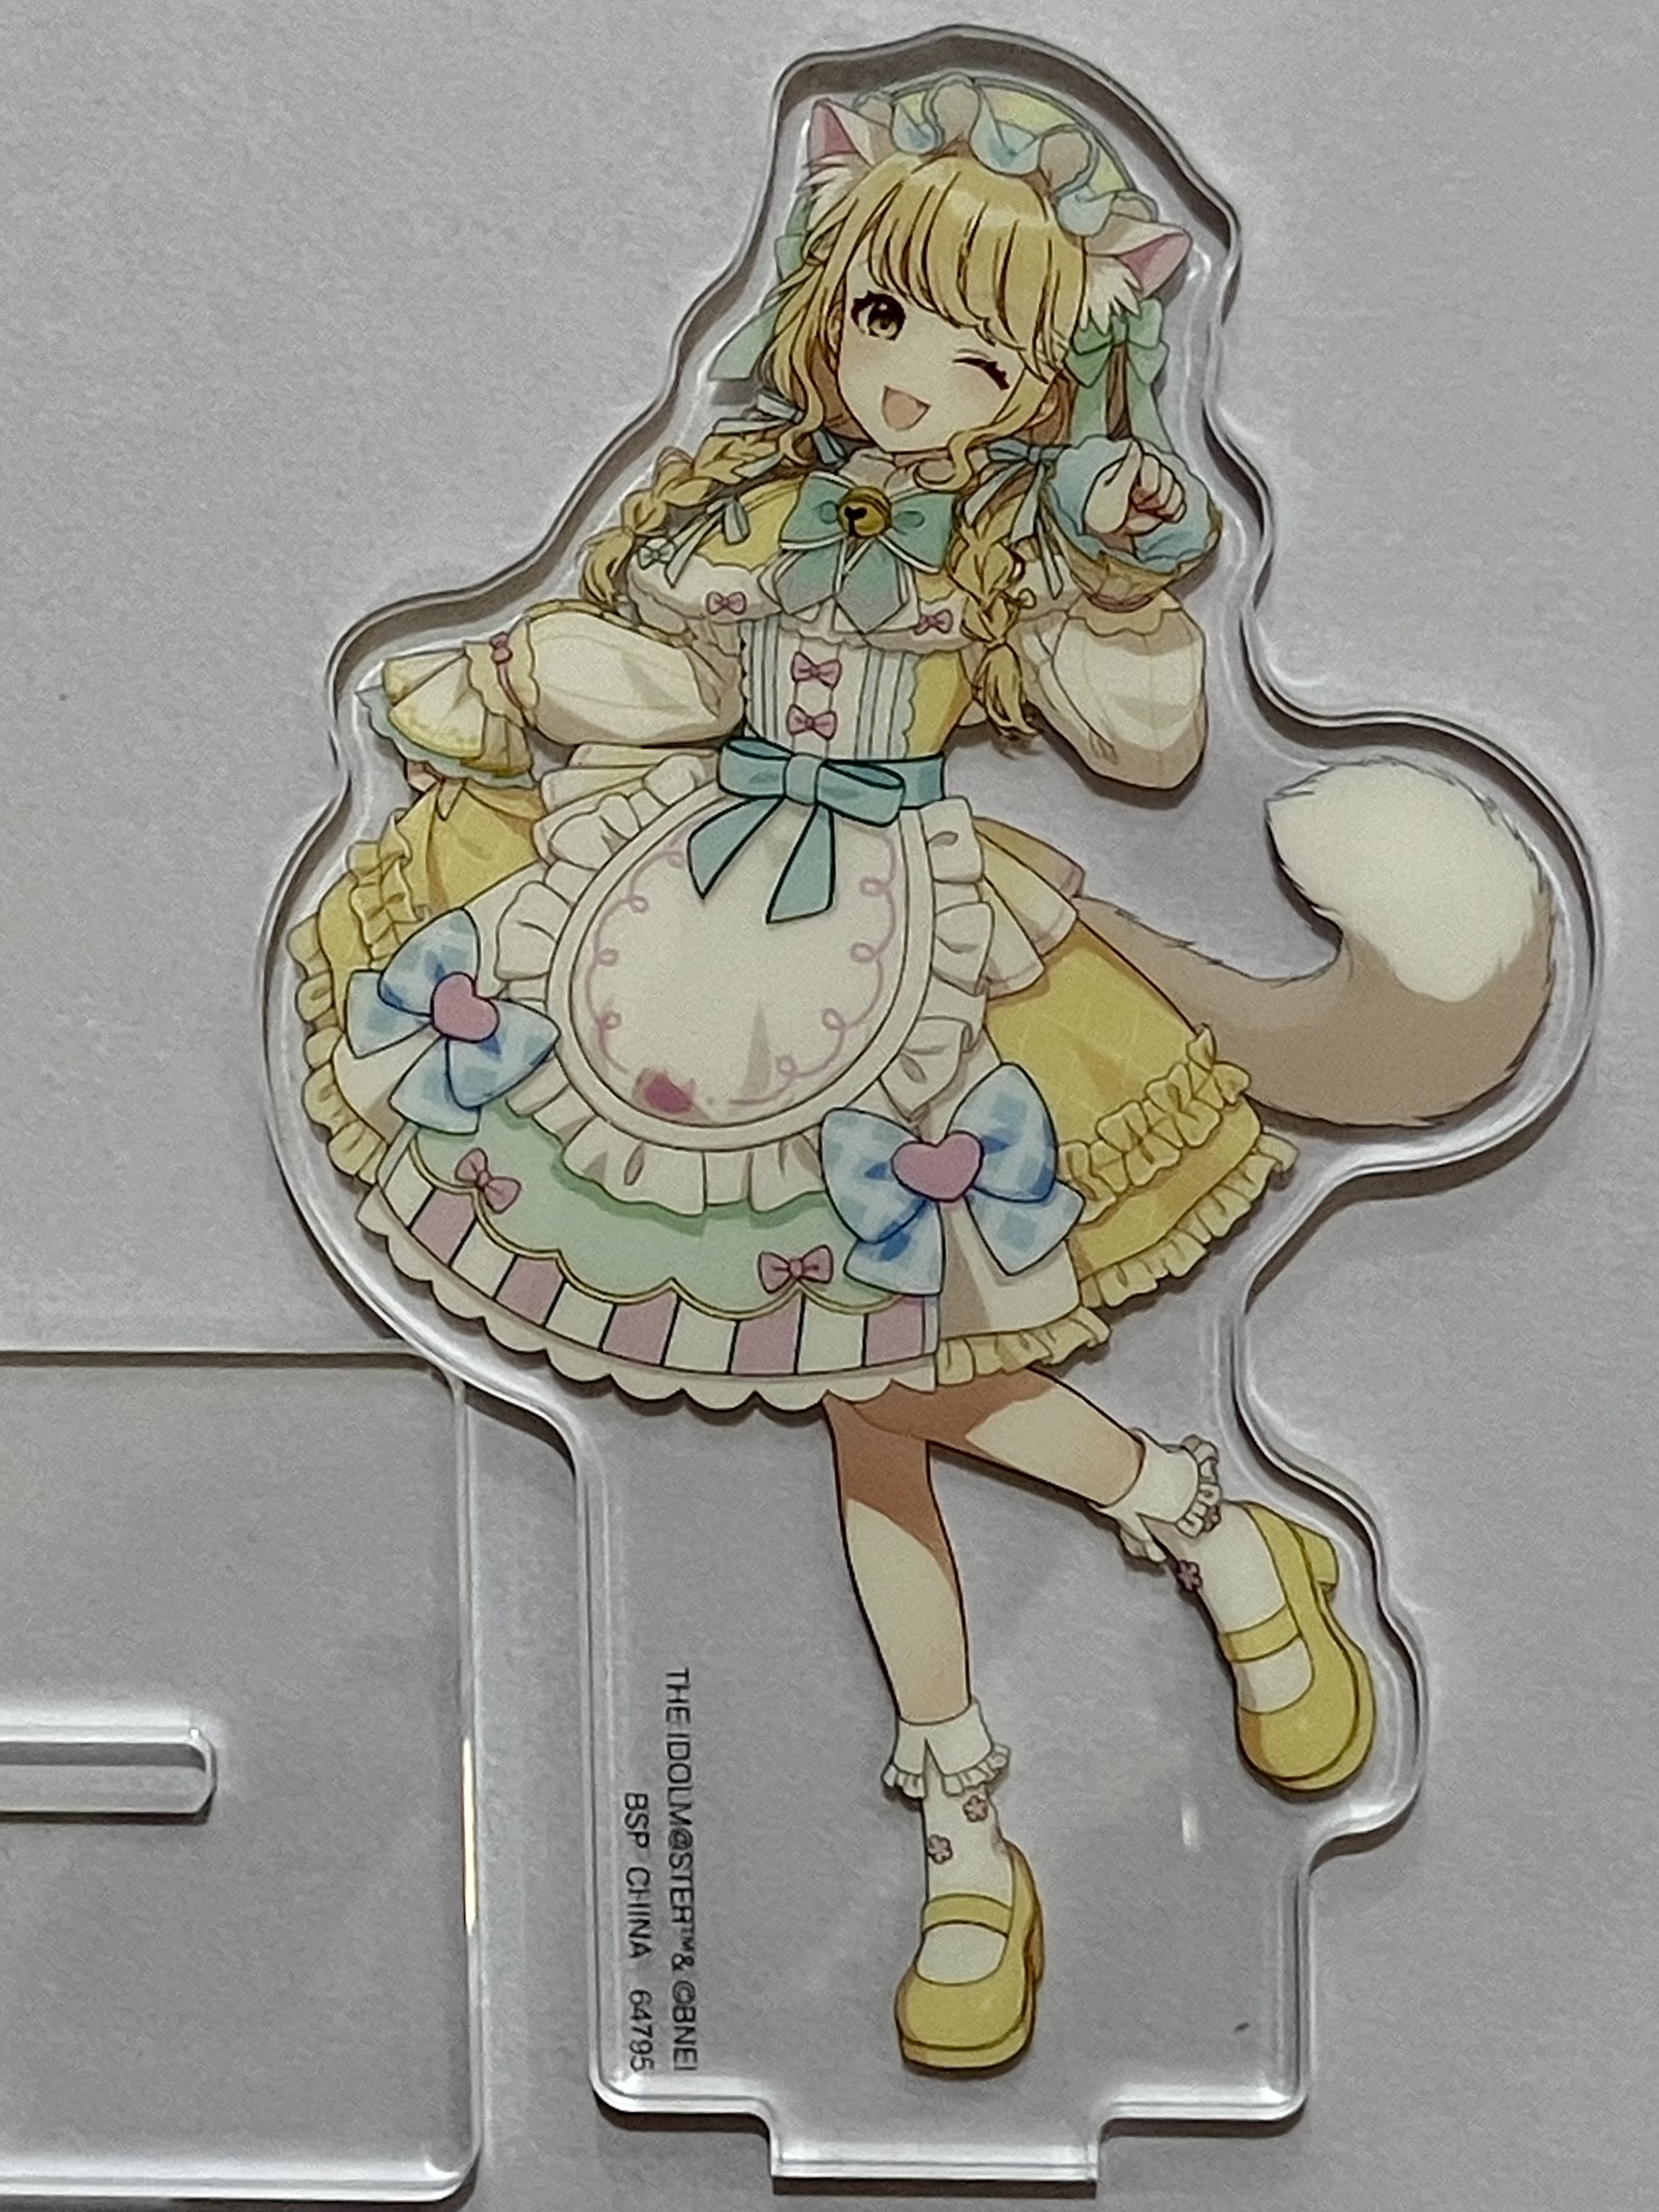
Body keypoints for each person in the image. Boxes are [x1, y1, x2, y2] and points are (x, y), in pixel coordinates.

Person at [289, 74, 1551, 2073]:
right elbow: (661, 673)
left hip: (915, 955)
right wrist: (512, 680)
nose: (912, 376)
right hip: (681, 927)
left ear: (1045, 385)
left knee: (877, 1403)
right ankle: (1183, 1572)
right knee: (867, 1407)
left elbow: (1141, 741)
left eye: (979, 355)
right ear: (825, 299)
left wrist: (1118, 587)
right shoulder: (737, 501)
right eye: (886, 316)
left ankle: (1007, 1793)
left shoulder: (1015, 551)